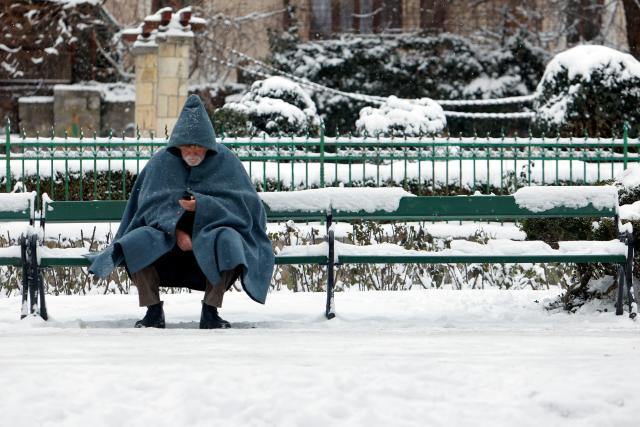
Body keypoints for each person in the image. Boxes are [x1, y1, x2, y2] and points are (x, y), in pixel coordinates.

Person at [87, 95, 275, 329]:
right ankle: (153, 311)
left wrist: (202, 207)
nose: (194, 151)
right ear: (178, 144)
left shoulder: (226, 162)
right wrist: (176, 232)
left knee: (231, 242)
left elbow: (244, 208)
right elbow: (147, 208)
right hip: (164, 244)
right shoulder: (161, 163)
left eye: (199, 146)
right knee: (133, 242)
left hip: (211, 243)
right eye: (188, 145)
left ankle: (210, 311)